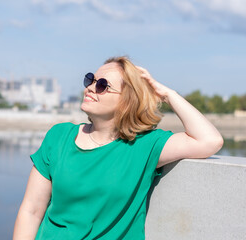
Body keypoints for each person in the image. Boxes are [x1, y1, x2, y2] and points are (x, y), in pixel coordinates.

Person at [13, 56, 223, 240]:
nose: (90, 88)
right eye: (90, 79)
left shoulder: (144, 146)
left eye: (102, 85)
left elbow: (209, 140)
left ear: (126, 101)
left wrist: (167, 94)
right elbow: (31, 210)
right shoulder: (59, 137)